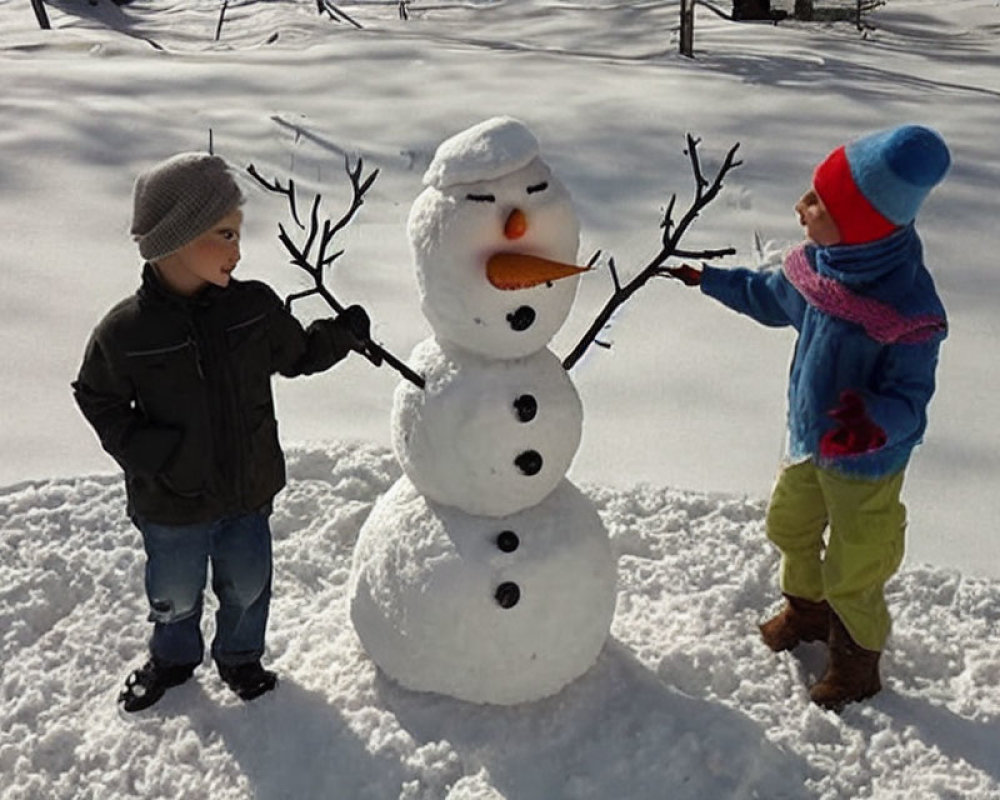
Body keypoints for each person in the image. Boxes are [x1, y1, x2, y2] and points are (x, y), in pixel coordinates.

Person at [73, 152, 376, 712]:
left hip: (246, 489)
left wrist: (344, 335)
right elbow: (97, 395)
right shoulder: (127, 331)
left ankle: (240, 658)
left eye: (237, 235)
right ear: (175, 240)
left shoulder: (253, 308)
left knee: (248, 584)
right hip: (172, 500)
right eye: (224, 234)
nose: (238, 251)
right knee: (174, 593)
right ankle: (173, 657)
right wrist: (149, 451)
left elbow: (299, 354)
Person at [666, 125, 950, 710]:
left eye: (818, 202)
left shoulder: (906, 311)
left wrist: (873, 422)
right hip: (808, 443)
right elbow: (771, 296)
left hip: (867, 463)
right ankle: (808, 611)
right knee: (789, 525)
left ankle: (856, 659)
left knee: (857, 559)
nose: (801, 208)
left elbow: (911, 401)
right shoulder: (823, 269)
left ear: (863, 225)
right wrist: (710, 280)